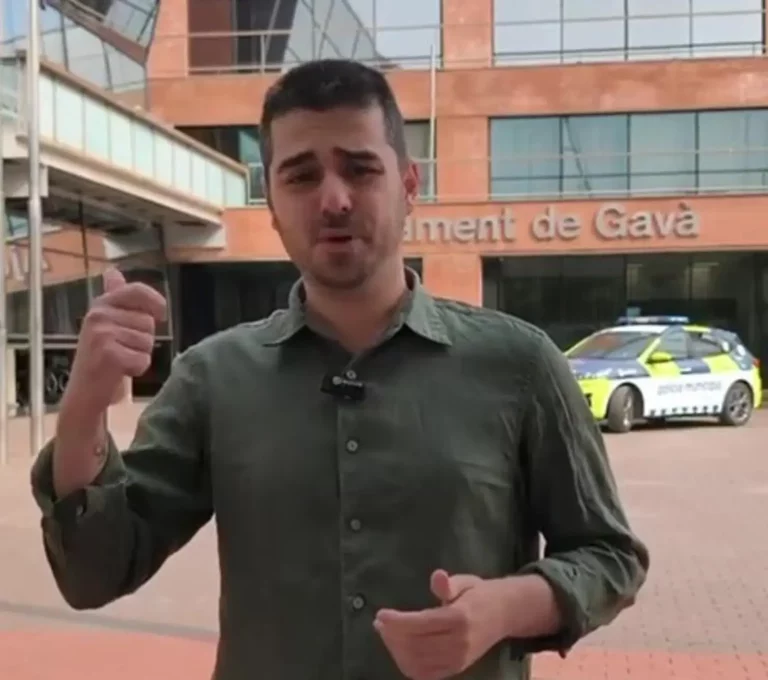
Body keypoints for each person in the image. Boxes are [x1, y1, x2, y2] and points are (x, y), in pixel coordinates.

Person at [31, 58, 649, 680]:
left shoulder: (519, 365)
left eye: (360, 169)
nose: (333, 199)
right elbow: (94, 573)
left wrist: (508, 607)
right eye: (301, 176)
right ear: (272, 205)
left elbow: (609, 555)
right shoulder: (212, 378)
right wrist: (83, 409)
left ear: (409, 185)